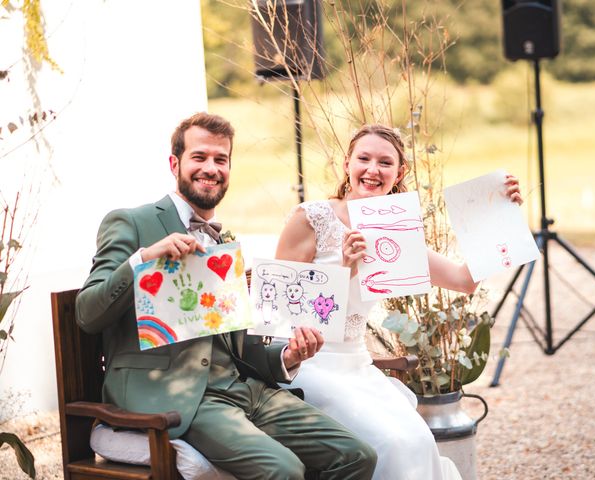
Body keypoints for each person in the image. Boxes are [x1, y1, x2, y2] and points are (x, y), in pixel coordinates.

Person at [76, 112, 377, 480]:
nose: (211, 168)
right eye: (199, 157)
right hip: (178, 397)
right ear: (175, 164)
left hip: (244, 389)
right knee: (283, 470)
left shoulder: (224, 241)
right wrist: (145, 258)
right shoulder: (132, 223)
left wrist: (286, 356)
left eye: (221, 159)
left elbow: (236, 344)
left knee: (356, 455)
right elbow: (87, 313)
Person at [275, 124, 523, 480]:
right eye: (364, 158)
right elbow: (282, 307)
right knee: (391, 442)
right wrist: (345, 269)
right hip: (309, 363)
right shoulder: (312, 219)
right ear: (347, 164)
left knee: (419, 441)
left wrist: (499, 218)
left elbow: (462, 280)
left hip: (356, 366)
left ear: (399, 172)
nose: (372, 170)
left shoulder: (396, 230)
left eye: (384, 162)